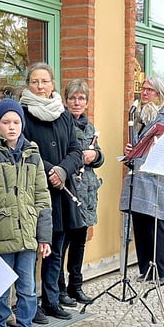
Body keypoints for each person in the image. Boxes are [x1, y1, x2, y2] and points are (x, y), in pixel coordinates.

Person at [0, 99, 51, 327]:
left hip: (28, 233)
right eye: (6, 122)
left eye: (16, 122)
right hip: (0, 234)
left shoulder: (32, 153)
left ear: (22, 124)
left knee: (26, 286)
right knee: (0, 286)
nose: (11, 127)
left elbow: (42, 197)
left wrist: (43, 236)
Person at [19, 63, 84, 319]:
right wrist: (50, 171)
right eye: (35, 82)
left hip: (60, 191)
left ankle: (51, 300)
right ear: (28, 85)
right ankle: (30, 304)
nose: (40, 86)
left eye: (44, 81)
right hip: (33, 191)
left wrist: (63, 171)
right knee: (31, 252)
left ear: (53, 84)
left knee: (55, 250)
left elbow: (76, 151)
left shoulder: (64, 115)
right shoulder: (23, 113)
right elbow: (24, 148)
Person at [121, 76, 164, 283]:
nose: (144, 93)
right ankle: (146, 268)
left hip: (157, 179)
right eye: (143, 90)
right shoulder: (143, 116)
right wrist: (131, 151)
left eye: (149, 90)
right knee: (140, 223)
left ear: (160, 94)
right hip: (139, 177)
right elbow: (140, 145)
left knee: (156, 224)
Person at [60, 79, 103, 304]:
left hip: (87, 191)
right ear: (66, 100)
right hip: (69, 190)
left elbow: (99, 155)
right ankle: (59, 290)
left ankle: (75, 285)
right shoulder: (62, 123)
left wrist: (94, 156)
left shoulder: (90, 126)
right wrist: (79, 157)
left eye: (81, 98)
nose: (77, 102)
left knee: (80, 241)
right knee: (63, 242)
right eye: (73, 98)